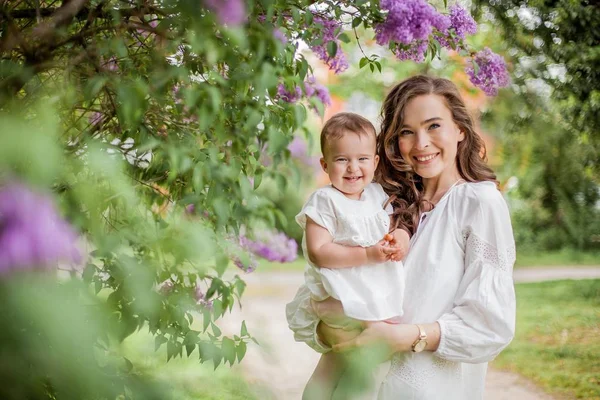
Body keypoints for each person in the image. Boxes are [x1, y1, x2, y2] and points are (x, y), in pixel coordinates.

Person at [286, 75, 516, 400]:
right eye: (407, 131)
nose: (421, 143)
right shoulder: (382, 205)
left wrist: (401, 337)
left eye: (434, 126)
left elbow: (491, 326)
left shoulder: (479, 203)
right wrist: (330, 330)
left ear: (460, 130)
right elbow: (324, 294)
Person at [286, 112, 411, 400]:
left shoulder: (378, 195)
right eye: (342, 159)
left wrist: (397, 240)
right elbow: (319, 252)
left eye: (362, 159)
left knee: (354, 365)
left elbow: (393, 227)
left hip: (370, 295)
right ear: (325, 164)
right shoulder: (325, 200)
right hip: (340, 297)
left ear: (375, 162)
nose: (353, 168)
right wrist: (368, 254)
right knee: (335, 363)